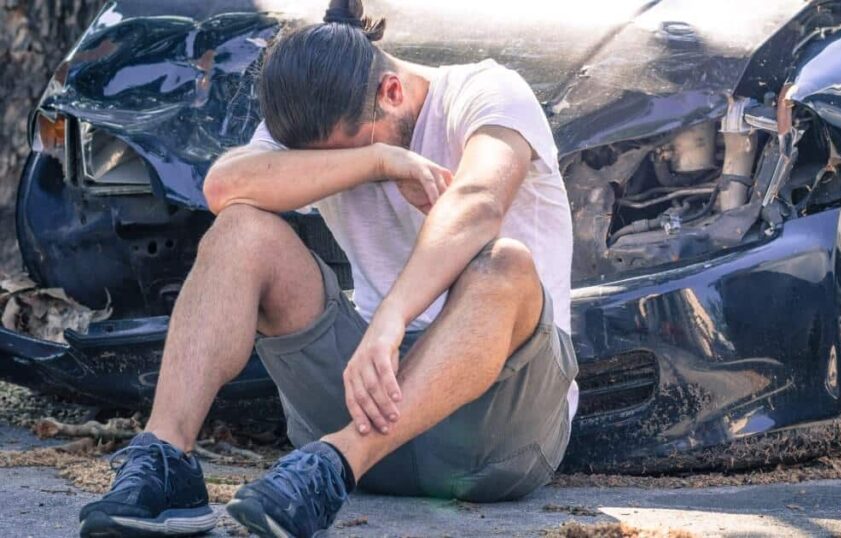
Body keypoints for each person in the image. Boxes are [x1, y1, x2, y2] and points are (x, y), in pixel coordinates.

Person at [77, 0, 578, 536]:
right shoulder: (323, 123)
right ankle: (167, 459)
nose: (341, 166)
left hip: (497, 434)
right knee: (241, 228)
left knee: (504, 264)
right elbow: (223, 186)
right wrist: (376, 160)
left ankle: (335, 464)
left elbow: (478, 201)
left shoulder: (488, 92)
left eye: (353, 148)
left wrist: (391, 319)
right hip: (361, 400)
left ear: (391, 92)